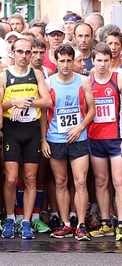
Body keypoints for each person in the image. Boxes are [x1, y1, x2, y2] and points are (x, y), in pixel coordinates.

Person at [40, 44, 95, 241]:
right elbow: (43, 115)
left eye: (68, 60)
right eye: (61, 60)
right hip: (55, 139)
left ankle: (80, 225)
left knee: (80, 181)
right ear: (55, 61)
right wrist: (43, 140)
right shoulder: (48, 83)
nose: (65, 64)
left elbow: (92, 110)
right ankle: (65, 224)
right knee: (61, 182)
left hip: (78, 138)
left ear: (73, 61)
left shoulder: (84, 80)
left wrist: (80, 127)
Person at [0, 38, 52, 239]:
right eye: (20, 51)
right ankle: (11, 219)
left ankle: (27, 222)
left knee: (31, 178)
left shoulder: (36, 74)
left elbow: (46, 101)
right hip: (12, 131)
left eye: (28, 52)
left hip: (32, 131)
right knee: (11, 178)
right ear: (12, 52)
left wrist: (27, 103)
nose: (24, 55)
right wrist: (13, 101)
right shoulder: (4, 76)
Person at [87, 43, 122, 241]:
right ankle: (106, 222)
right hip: (95, 138)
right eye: (99, 60)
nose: (103, 64)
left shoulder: (119, 78)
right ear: (93, 60)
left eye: (106, 60)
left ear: (110, 60)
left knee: (119, 181)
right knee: (100, 181)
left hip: (116, 138)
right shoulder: (87, 80)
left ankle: (121, 224)